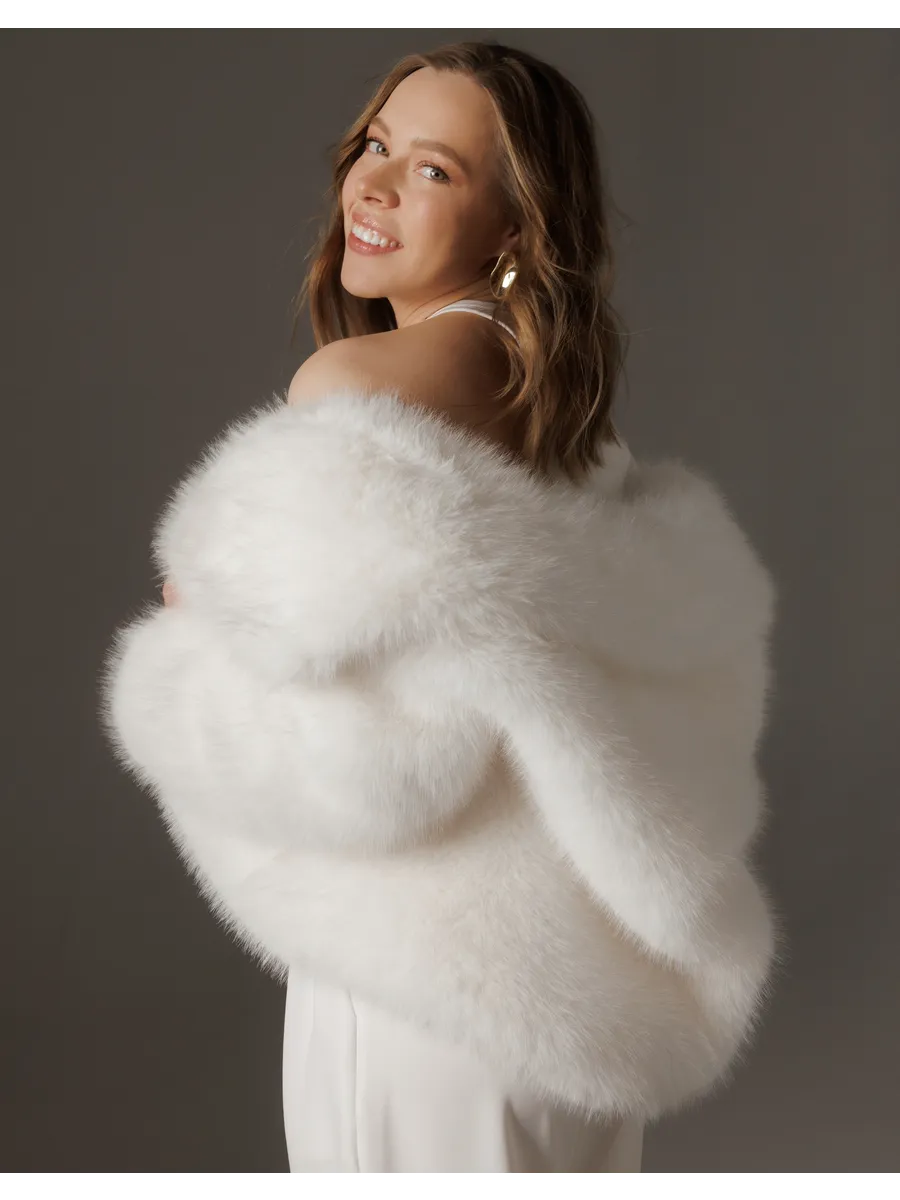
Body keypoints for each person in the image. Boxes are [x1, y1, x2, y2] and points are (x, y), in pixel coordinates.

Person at [102, 41, 783, 1176]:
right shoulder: (570, 419)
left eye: (433, 170)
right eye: (375, 145)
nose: (371, 185)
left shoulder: (353, 386)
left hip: (421, 973)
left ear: (515, 227)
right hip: (571, 981)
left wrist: (193, 611)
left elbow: (268, 652)